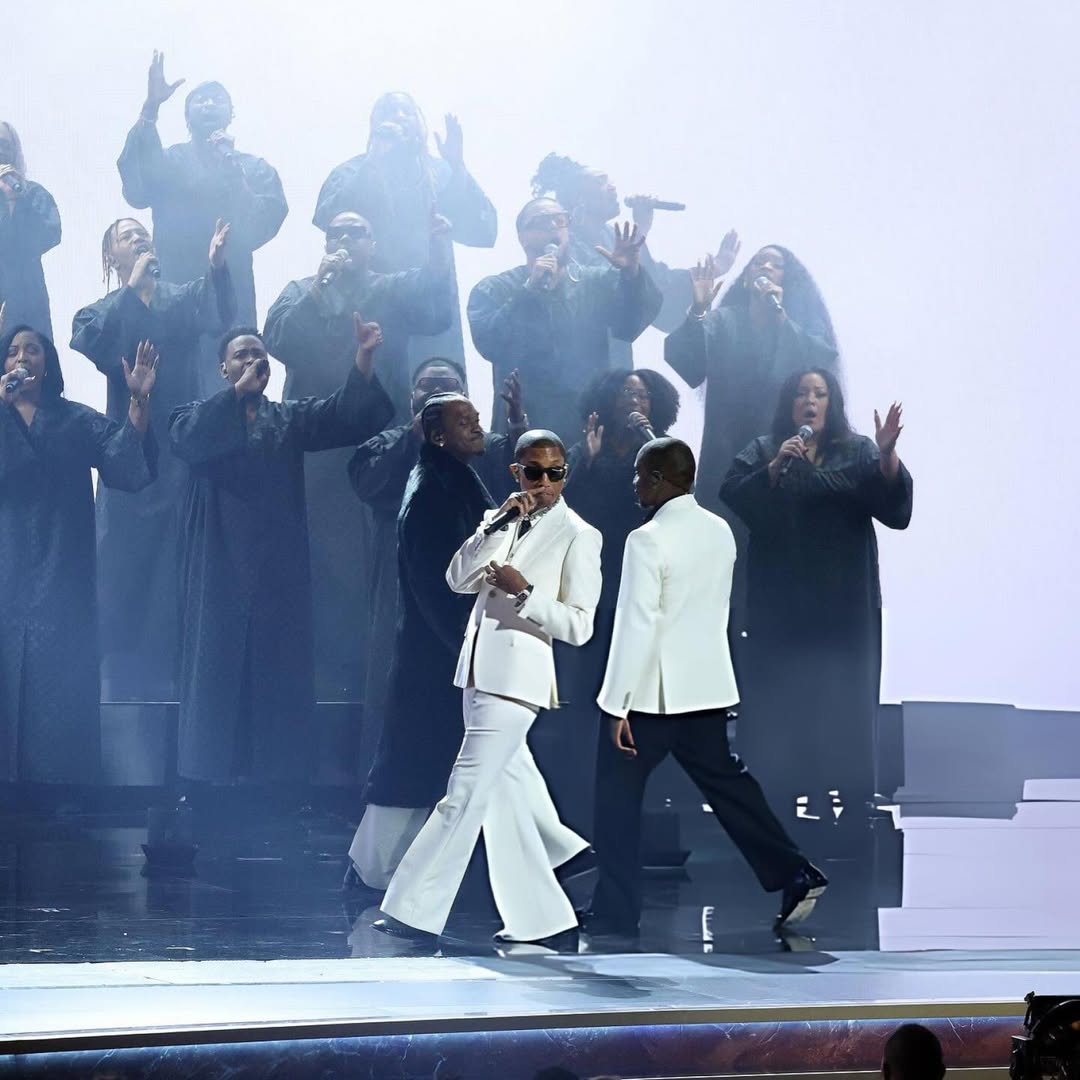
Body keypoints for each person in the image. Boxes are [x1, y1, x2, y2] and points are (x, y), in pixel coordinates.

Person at [590, 437, 827, 937]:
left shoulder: (645, 539)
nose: (634, 484)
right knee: (730, 788)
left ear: (658, 480)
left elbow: (636, 624)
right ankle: (795, 871)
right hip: (706, 691)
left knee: (615, 798)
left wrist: (615, 704)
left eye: (640, 475)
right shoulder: (720, 531)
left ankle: (615, 911)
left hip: (653, 697)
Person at [374, 431, 601, 945]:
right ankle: (544, 919)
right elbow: (457, 579)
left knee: (465, 792)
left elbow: (580, 625)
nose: (545, 483)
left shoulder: (579, 535)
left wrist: (527, 593)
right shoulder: (499, 520)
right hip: (477, 672)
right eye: (534, 472)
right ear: (516, 472)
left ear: (565, 474)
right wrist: (498, 524)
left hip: (517, 680)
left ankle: (412, 910)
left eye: (555, 473)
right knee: (504, 801)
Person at [168, 324, 393, 787]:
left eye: (259, 354)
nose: (254, 361)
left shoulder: (288, 418)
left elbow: (344, 414)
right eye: (242, 355)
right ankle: (209, 787)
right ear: (224, 368)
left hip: (277, 566)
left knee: (276, 674)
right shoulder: (198, 414)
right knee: (216, 673)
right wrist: (236, 396)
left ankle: (278, 788)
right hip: (218, 566)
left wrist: (364, 359)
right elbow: (186, 440)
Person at [264, 211, 454, 700]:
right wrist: (317, 290)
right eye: (336, 234)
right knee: (320, 557)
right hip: (317, 444)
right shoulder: (300, 290)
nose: (345, 240)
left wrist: (439, 252)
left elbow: (437, 311)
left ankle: (379, 675)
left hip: (382, 444)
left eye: (357, 233)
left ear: (374, 244)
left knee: (381, 555)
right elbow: (278, 342)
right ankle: (325, 678)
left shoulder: (391, 287)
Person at [345, 391, 521, 892]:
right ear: (437, 434)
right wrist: (467, 646)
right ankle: (371, 872)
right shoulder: (430, 491)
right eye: (464, 421)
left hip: (450, 649)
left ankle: (389, 872)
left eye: (476, 418)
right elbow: (435, 584)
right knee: (413, 766)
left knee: (428, 766)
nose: (476, 426)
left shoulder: (454, 481)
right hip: (437, 653)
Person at [719, 369, 913, 824]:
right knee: (783, 699)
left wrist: (887, 455)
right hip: (782, 601)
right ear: (789, 404)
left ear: (832, 403)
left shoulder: (859, 450)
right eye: (802, 393)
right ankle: (780, 794)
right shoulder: (767, 448)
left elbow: (894, 511)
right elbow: (733, 495)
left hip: (844, 601)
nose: (810, 401)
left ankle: (848, 798)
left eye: (820, 393)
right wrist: (774, 469)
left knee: (842, 698)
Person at [71, 216, 235, 701]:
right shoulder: (99, 311)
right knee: (123, 564)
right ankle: (121, 682)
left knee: (180, 562)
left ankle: (184, 676)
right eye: (127, 236)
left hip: (181, 449)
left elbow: (218, 314)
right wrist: (132, 293)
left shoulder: (181, 298)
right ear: (111, 256)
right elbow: (97, 347)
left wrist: (217, 268)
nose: (140, 238)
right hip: (131, 453)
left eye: (143, 232)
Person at [0, 327, 158, 786]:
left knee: (59, 672)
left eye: (32, 350)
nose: (22, 357)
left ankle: (61, 788)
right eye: (12, 351)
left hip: (61, 566)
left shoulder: (73, 419)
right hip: (7, 561)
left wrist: (138, 401)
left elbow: (124, 462)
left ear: (47, 363)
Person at [548, 368, 681, 833]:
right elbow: (559, 509)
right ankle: (583, 804)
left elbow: (679, 508)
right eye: (627, 393)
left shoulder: (660, 452)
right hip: (596, 583)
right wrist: (586, 462)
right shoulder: (590, 447)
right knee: (591, 689)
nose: (635, 401)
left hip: (642, 584)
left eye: (642, 395)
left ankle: (641, 800)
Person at [117, 51, 287, 395]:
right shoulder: (170, 162)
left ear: (231, 114)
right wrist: (150, 108)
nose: (209, 104)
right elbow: (136, 189)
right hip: (174, 287)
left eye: (217, 99)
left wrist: (234, 172)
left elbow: (263, 224)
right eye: (201, 100)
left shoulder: (252, 168)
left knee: (231, 380)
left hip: (230, 289)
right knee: (173, 382)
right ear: (187, 116)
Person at [313, 91, 496, 367]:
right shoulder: (351, 171)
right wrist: (374, 161)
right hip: (367, 307)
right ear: (374, 126)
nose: (398, 117)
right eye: (389, 112)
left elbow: (483, 231)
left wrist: (457, 167)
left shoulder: (440, 172)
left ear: (419, 123)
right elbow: (329, 221)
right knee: (370, 383)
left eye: (406, 112)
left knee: (437, 386)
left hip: (432, 307)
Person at [468, 197, 662, 443]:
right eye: (542, 221)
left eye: (560, 220)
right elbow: (490, 343)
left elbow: (629, 325)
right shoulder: (495, 289)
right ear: (522, 237)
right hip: (524, 423)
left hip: (587, 424)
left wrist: (630, 275)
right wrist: (529, 290)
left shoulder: (595, 282)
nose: (553, 226)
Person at [664, 245, 839, 514]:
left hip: (784, 448)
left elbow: (820, 360)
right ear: (746, 279)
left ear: (787, 282)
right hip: (725, 454)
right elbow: (686, 362)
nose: (766, 267)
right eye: (759, 262)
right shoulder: (723, 321)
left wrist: (781, 320)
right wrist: (698, 310)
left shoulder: (802, 328)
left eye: (776, 265)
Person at [530, 151, 741, 364]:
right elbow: (601, 286)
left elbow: (654, 286)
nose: (612, 187)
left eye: (610, 180)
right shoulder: (564, 243)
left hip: (615, 359)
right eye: (601, 182)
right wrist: (639, 235)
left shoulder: (612, 236)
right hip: (577, 357)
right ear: (580, 198)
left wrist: (710, 270)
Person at [0, 123, 61, 340]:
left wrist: (13, 202)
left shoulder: (32, 193)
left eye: (5, 144)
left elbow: (49, 235)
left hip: (26, 303)